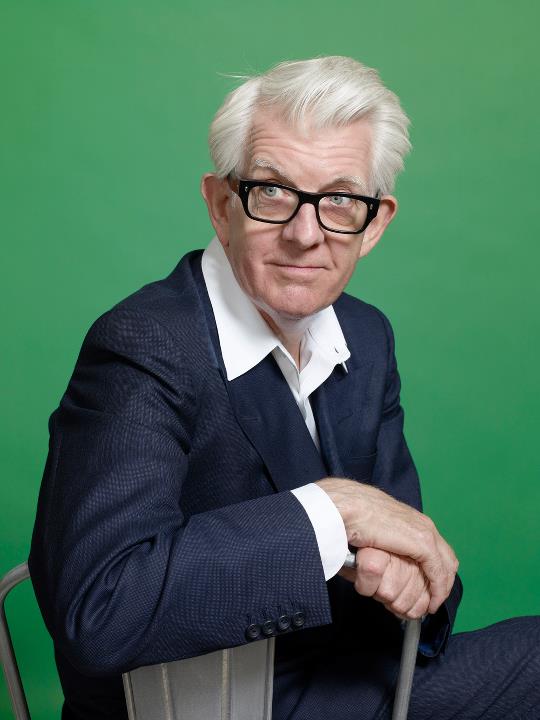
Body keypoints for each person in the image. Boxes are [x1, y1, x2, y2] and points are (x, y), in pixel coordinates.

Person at [29, 56, 540, 720]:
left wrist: (404, 580)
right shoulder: (143, 344)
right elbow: (100, 610)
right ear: (222, 205)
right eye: (272, 191)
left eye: (340, 201)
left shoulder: (366, 336)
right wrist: (334, 510)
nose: (305, 234)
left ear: (375, 223)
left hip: (355, 681)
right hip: (208, 706)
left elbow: (409, 557)